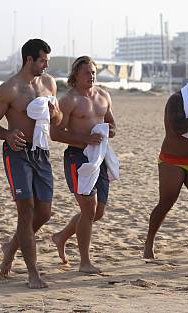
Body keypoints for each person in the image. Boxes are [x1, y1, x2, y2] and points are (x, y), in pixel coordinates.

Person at [0, 39, 62, 288]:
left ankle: (11, 246)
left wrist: (54, 113)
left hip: (41, 150)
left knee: (45, 212)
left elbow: (57, 120)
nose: (46, 66)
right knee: (26, 210)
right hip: (17, 152)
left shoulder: (49, 84)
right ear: (29, 59)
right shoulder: (10, 89)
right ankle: (32, 273)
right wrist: (7, 134)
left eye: (47, 61)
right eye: (42, 61)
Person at [50, 56, 116, 273]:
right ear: (75, 75)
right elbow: (56, 133)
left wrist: (111, 131)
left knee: (97, 213)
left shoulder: (103, 95)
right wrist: (85, 140)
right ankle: (84, 262)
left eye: (94, 72)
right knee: (88, 209)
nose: (92, 76)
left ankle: (61, 236)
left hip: (100, 156)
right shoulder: (69, 100)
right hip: (77, 157)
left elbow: (111, 122)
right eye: (87, 72)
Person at [143, 72, 188, 261]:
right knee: (166, 203)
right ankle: (148, 244)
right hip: (172, 160)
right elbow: (178, 128)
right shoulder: (176, 100)